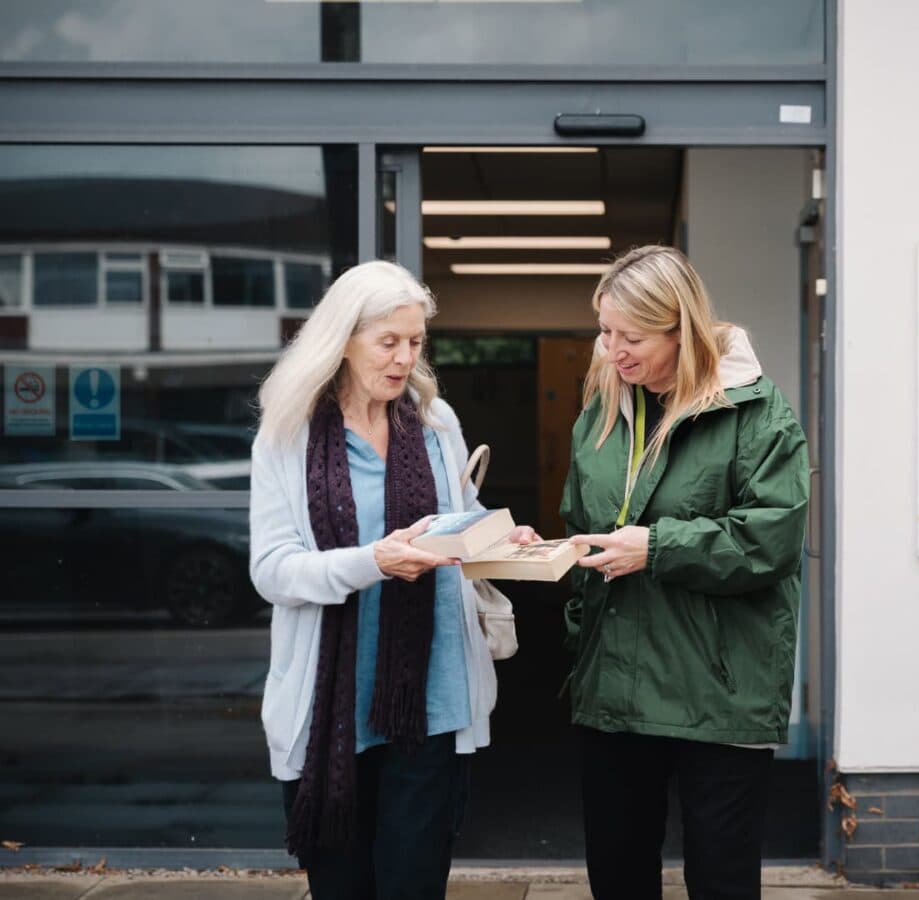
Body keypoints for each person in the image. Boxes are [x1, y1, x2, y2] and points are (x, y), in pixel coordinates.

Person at [249, 260, 536, 900]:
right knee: (342, 885)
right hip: (330, 710)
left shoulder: (436, 425)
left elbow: (456, 520)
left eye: (415, 342)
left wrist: (498, 534)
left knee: (414, 883)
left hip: (431, 698)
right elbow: (272, 571)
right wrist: (372, 562)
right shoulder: (287, 437)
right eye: (388, 342)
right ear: (341, 342)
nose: (406, 358)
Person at [560, 245, 809, 900]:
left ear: (682, 329)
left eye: (632, 336)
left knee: (722, 877)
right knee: (617, 873)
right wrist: (553, 554)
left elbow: (772, 539)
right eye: (606, 331)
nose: (613, 350)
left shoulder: (757, 413)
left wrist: (657, 547)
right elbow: (580, 519)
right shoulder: (603, 412)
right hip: (615, 683)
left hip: (720, 687)